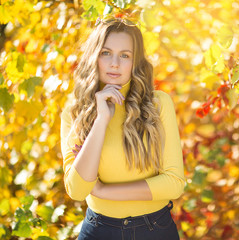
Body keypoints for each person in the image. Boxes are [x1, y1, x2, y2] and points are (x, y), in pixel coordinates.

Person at [60, 15, 185, 240]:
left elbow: (174, 184)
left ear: (135, 62)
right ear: (94, 57)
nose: (114, 63)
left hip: (155, 229)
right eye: (106, 53)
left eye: (125, 55)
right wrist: (100, 121)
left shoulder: (158, 104)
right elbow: (77, 191)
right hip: (98, 230)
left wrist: (102, 191)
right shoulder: (74, 112)